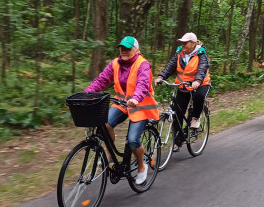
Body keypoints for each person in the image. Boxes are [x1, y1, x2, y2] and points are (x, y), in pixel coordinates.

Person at [84, 36, 159, 184]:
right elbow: (101, 80)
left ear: (136, 50)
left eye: (128, 49)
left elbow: (142, 84)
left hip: (140, 105)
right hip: (121, 103)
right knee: (104, 123)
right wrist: (86, 94)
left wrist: (136, 98)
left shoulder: (142, 64)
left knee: (132, 140)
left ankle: (141, 166)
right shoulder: (115, 64)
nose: (124, 51)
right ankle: (110, 155)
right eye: (121, 48)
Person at [155, 32, 211, 149]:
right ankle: (178, 139)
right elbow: (170, 66)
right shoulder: (179, 53)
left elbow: (202, 69)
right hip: (182, 85)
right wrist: (161, 77)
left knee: (198, 97)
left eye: (185, 43)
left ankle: (195, 118)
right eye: (182, 42)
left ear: (193, 43)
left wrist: (197, 81)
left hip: (200, 84)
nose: (183, 45)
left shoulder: (201, 54)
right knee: (177, 112)